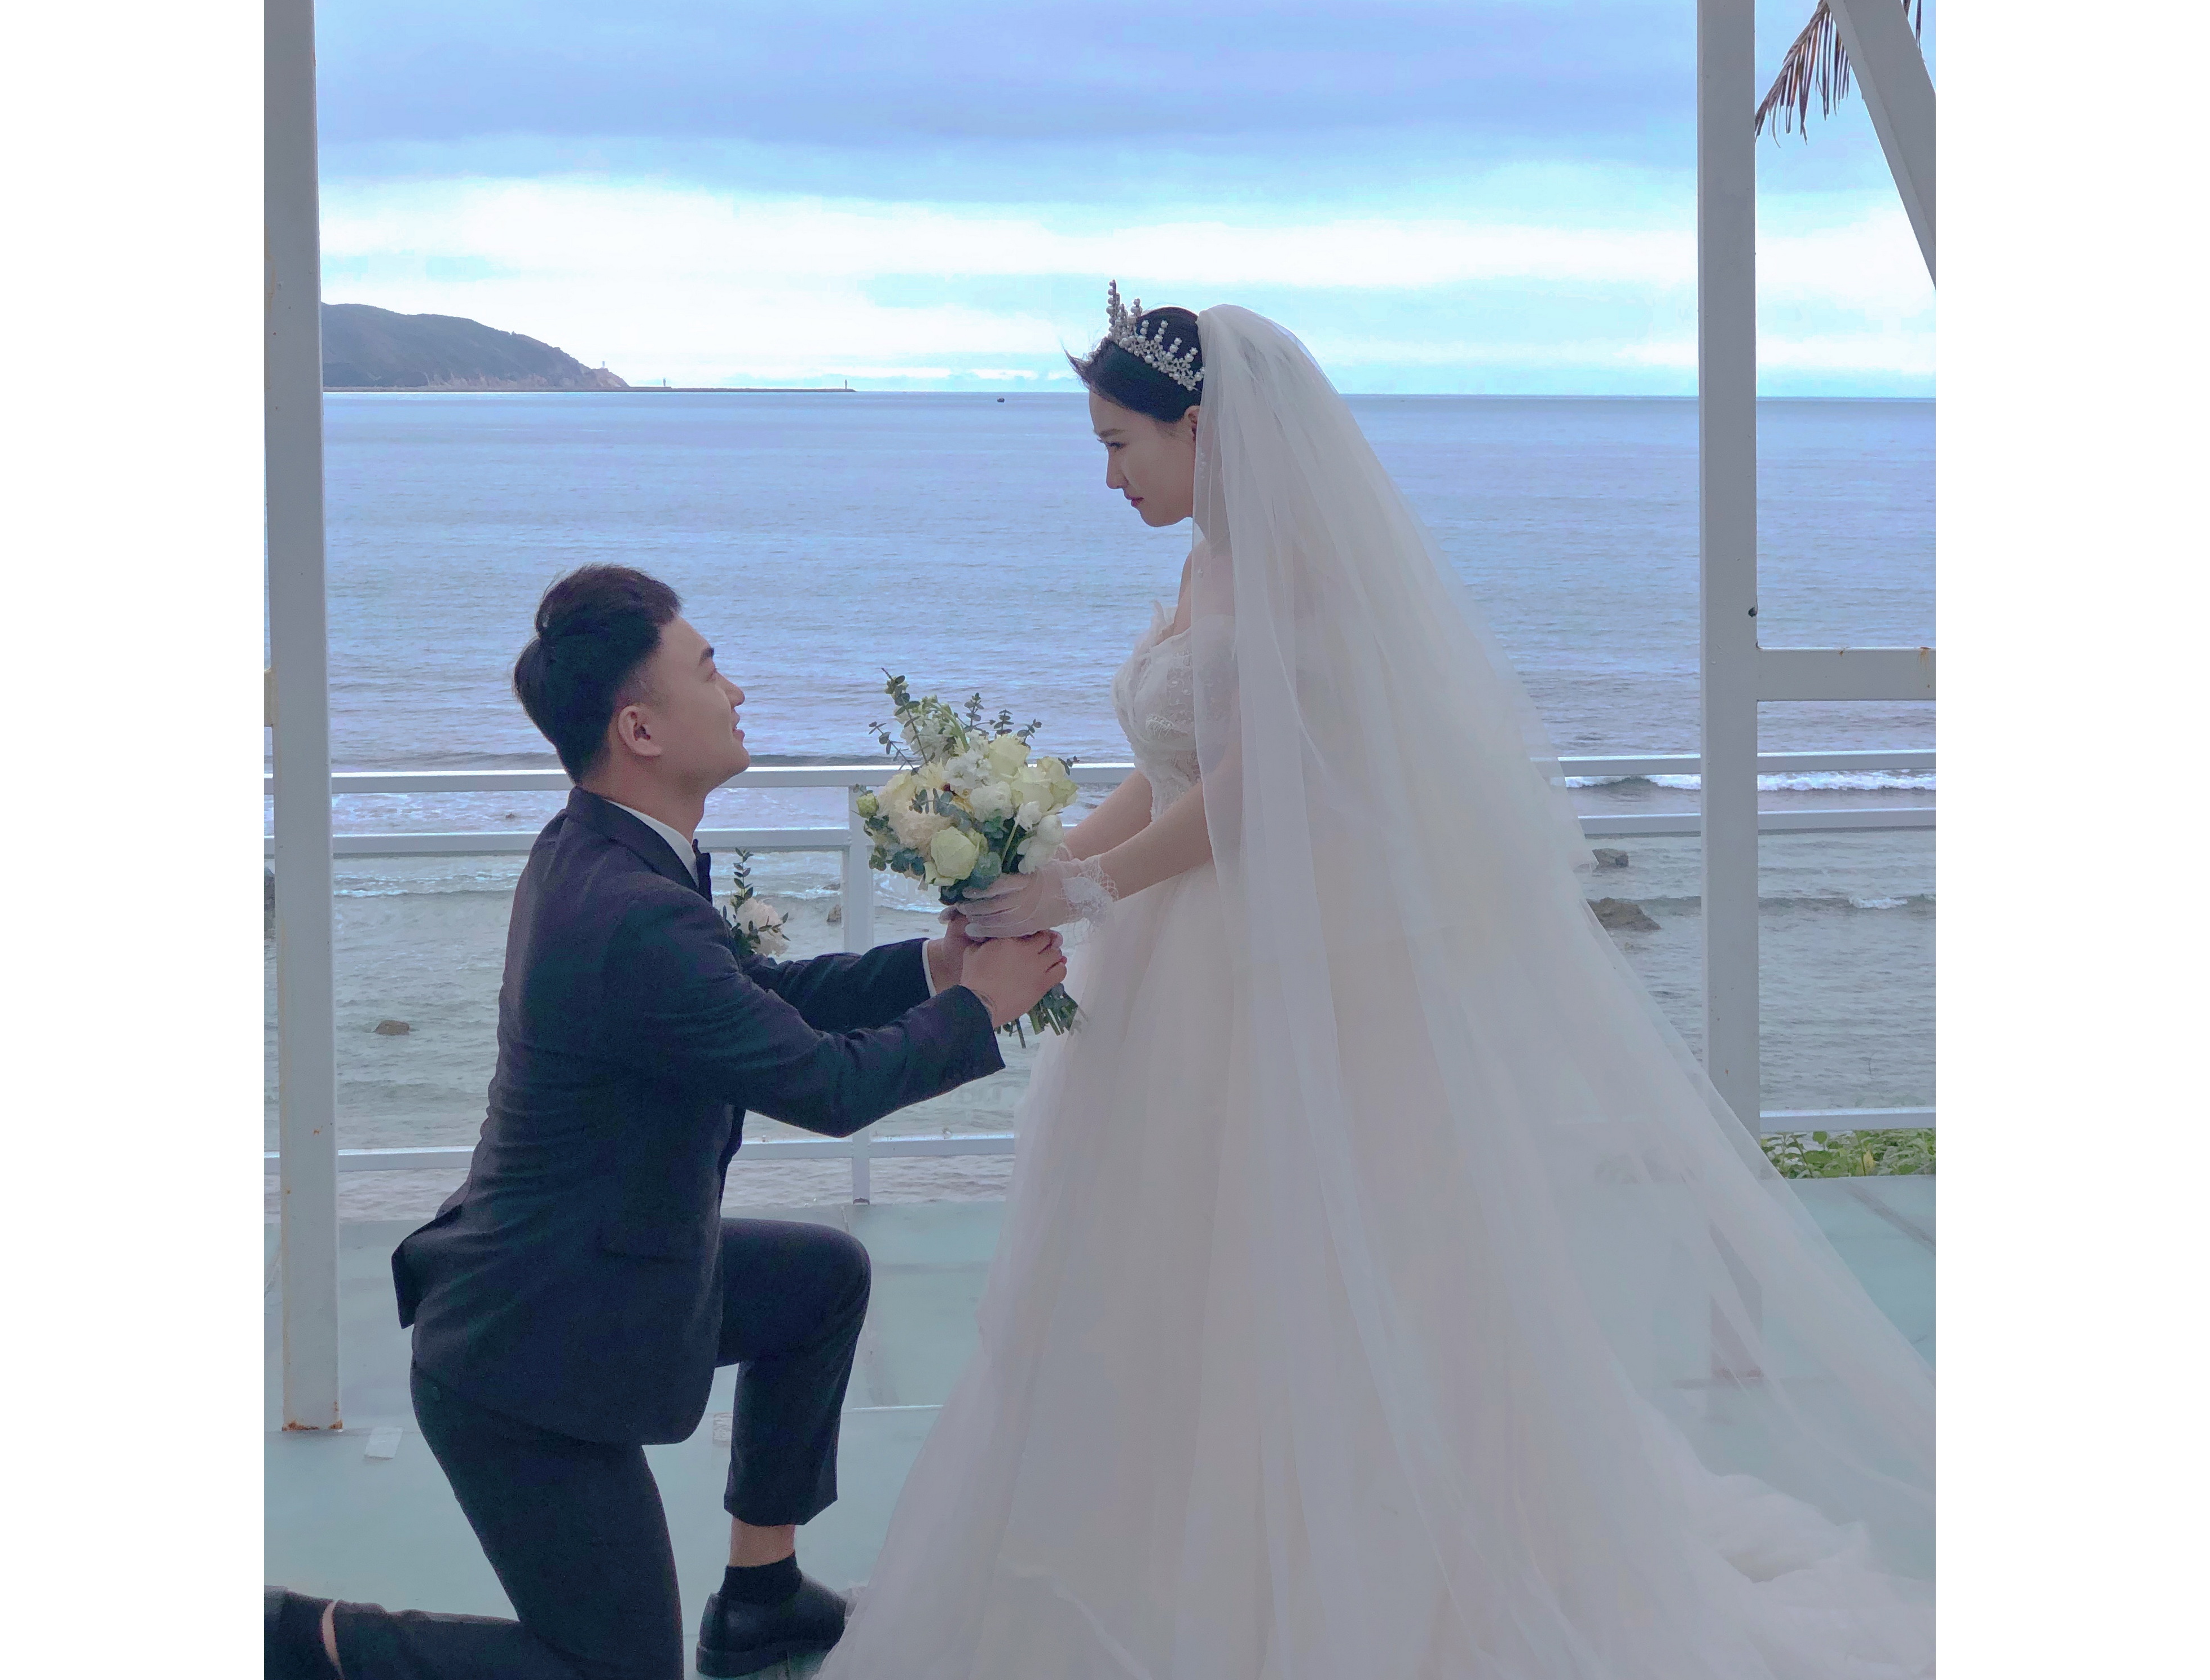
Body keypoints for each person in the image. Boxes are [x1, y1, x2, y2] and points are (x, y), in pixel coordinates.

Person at [819, 293, 1936, 1680]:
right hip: (1175, 965)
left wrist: (1086, 894)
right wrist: (1044, 868)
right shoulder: (1207, 563)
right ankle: (1145, 1561)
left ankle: (1321, 1580)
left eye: (1119, 445)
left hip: (1277, 973)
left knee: (1297, 1266)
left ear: (1198, 427)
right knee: (1155, 1267)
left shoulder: (1304, 576)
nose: (1109, 477)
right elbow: (1166, 771)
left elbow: (1261, 788)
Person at [266, 564, 1068, 1680]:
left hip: (597, 1268)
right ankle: (291, 1639)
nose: (736, 692)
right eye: (710, 670)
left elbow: (756, 1002)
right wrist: (980, 1010)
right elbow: (827, 1089)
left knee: (820, 1283)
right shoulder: (628, 910)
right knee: (617, 1672)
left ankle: (762, 1600)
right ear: (640, 729)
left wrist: (932, 969)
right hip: (529, 1355)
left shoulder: (609, 851)